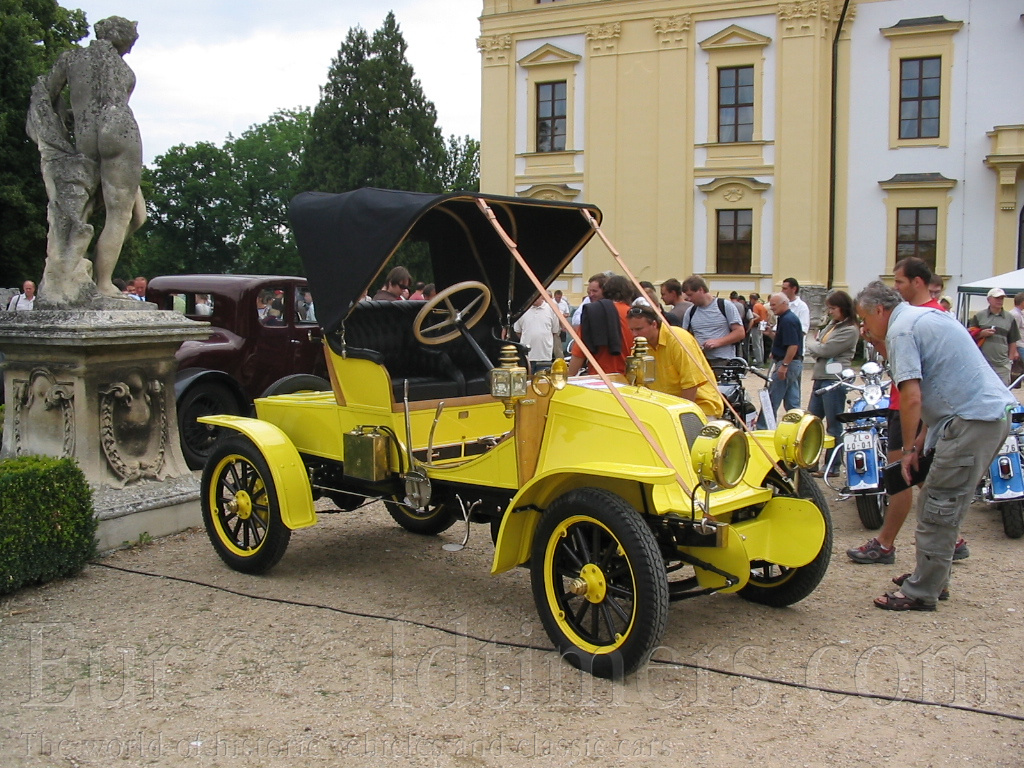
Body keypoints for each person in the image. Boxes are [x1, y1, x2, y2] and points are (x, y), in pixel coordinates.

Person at [856, 281, 1015, 611]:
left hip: (971, 420)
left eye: (865, 319)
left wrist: (908, 451)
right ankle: (931, 577)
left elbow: (912, 396)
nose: (864, 326)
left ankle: (922, 591)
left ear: (879, 311)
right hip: (984, 416)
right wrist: (923, 437)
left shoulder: (901, 330)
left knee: (938, 504)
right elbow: (941, 380)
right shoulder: (927, 317)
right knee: (941, 500)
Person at [848, 257, 962, 564]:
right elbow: (898, 363)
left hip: (912, 405)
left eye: (899, 281)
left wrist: (913, 442)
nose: (895, 287)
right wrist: (876, 340)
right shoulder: (914, 316)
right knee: (918, 475)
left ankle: (886, 543)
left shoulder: (924, 317)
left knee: (901, 473)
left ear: (917, 282)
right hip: (904, 402)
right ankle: (951, 538)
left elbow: (917, 376)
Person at [31, 16, 146, 300]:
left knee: (127, 213)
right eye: (132, 40)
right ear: (121, 37)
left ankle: (78, 268)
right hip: (119, 129)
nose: (131, 48)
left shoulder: (70, 59)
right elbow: (113, 103)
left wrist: (63, 121)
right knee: (123, 214)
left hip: (85, 135)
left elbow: (47, 95)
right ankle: (103, 282)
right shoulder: (125, 71)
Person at [626, 305, 721, 417]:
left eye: (639, 329)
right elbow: (638, 385)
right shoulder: (640, 346)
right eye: (632, 330)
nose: (634, 334)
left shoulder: (678, 339)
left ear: (654, 324)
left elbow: (691, 385)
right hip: (665, 410)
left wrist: (681, 416)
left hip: (699, 409)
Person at [805, 290, 858, 475]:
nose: (830, 312)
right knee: (812, 423)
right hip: (821, 377)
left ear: (843, 308)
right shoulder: (832, 326)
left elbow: (825, 350)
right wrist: (816, 347)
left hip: (834, 380)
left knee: (833, 426)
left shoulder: (850, 330)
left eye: (833, 308)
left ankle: (832, 466)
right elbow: (819, 348)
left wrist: (812, 343)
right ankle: (810, 462)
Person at [568, 275, 632, 376]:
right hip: (629, 377)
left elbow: (579, 353)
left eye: (595, 291)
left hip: (600, 378)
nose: (591, 295)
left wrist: (568, 379)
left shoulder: (593, 313)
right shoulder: (635, 315)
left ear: (605, 291)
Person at [757, 293, 803, 428]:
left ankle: (763, 428)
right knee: (792, 400)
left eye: (773, 305)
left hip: (788, 363)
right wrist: (771, 334)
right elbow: (785, 342)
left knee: (772, 399)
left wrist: (784, 365)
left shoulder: (788, 320)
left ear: (784, 304)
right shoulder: (786, 318)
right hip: (793, 363)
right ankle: (796, 426)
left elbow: (793, 346)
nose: (771, 308)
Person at [679, 275, 745, 360]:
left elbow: (740, 332)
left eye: (690, 295)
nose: (688, 299)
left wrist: (717, 342)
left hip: (723, 360)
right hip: (700, 360)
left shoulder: (725, 306)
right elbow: (685, 336)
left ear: (701, 290)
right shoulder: (690, 312)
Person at [969, 287, 1020, 385]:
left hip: (1002, 365)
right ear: (989, 299)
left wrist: (1009, 361)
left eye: (1002, 298)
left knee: (1002, 391)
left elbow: (1013, 340)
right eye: (997, 298)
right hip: (983, 363)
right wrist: (981, 334)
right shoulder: (979, 316)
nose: (1000, 300)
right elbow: (969, 336)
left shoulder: (1009, 318)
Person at [514, 295, 560, 372]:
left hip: (544, 357)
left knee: (543, 379)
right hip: (527, 357)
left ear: (541, 296)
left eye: (536, 296)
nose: (534, 299)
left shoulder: (551, 309)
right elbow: (518, 331)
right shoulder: (522, 310)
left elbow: (554, 331)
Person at [748, 293, 768, 365]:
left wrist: (752, 321)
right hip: (762, 324)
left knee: (756, 344)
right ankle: (761, 359)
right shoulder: (761, 306)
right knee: (760, 344)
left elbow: (755, 316)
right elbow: (767, 314)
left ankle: (759, 361)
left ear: (752, 299)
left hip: (757, 325)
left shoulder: (756, 306)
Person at [1010, 292, 1024, 385]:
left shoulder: (1020, 314)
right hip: (1019, 346)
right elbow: (1013, 333)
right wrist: (1014, 350)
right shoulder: (1015, 315)